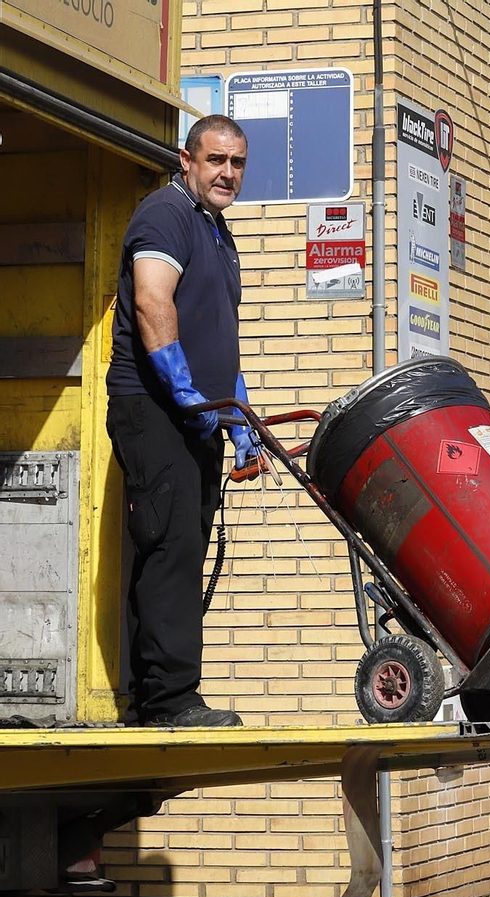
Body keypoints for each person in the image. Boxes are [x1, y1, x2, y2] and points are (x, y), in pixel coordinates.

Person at [105, 115, 259, 727]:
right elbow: (150, 300)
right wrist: (187, 393)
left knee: (185, 544)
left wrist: (237, 416)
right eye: (216, 159)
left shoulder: (217, 233)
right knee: (171, 543)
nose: (227, 172)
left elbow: (219, 338)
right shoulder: (164, 215)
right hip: (153, 407)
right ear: (187, 159)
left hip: (195, 413)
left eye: (238, 162)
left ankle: (162, 696)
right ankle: (168, 702)